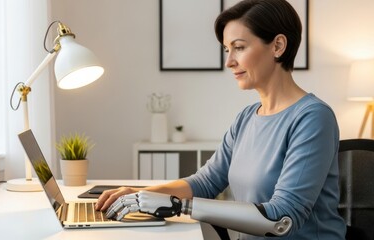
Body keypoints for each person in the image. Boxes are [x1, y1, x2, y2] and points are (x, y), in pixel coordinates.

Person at [96, 0, 346, 239]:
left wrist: (178, 206)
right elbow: (206, 182)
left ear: (278, 46)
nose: (229, 61)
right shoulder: (247, 118)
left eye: (239, 47)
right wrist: (140, 194)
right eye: (227, 50)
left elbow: (282, 218)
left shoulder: (313, 118)